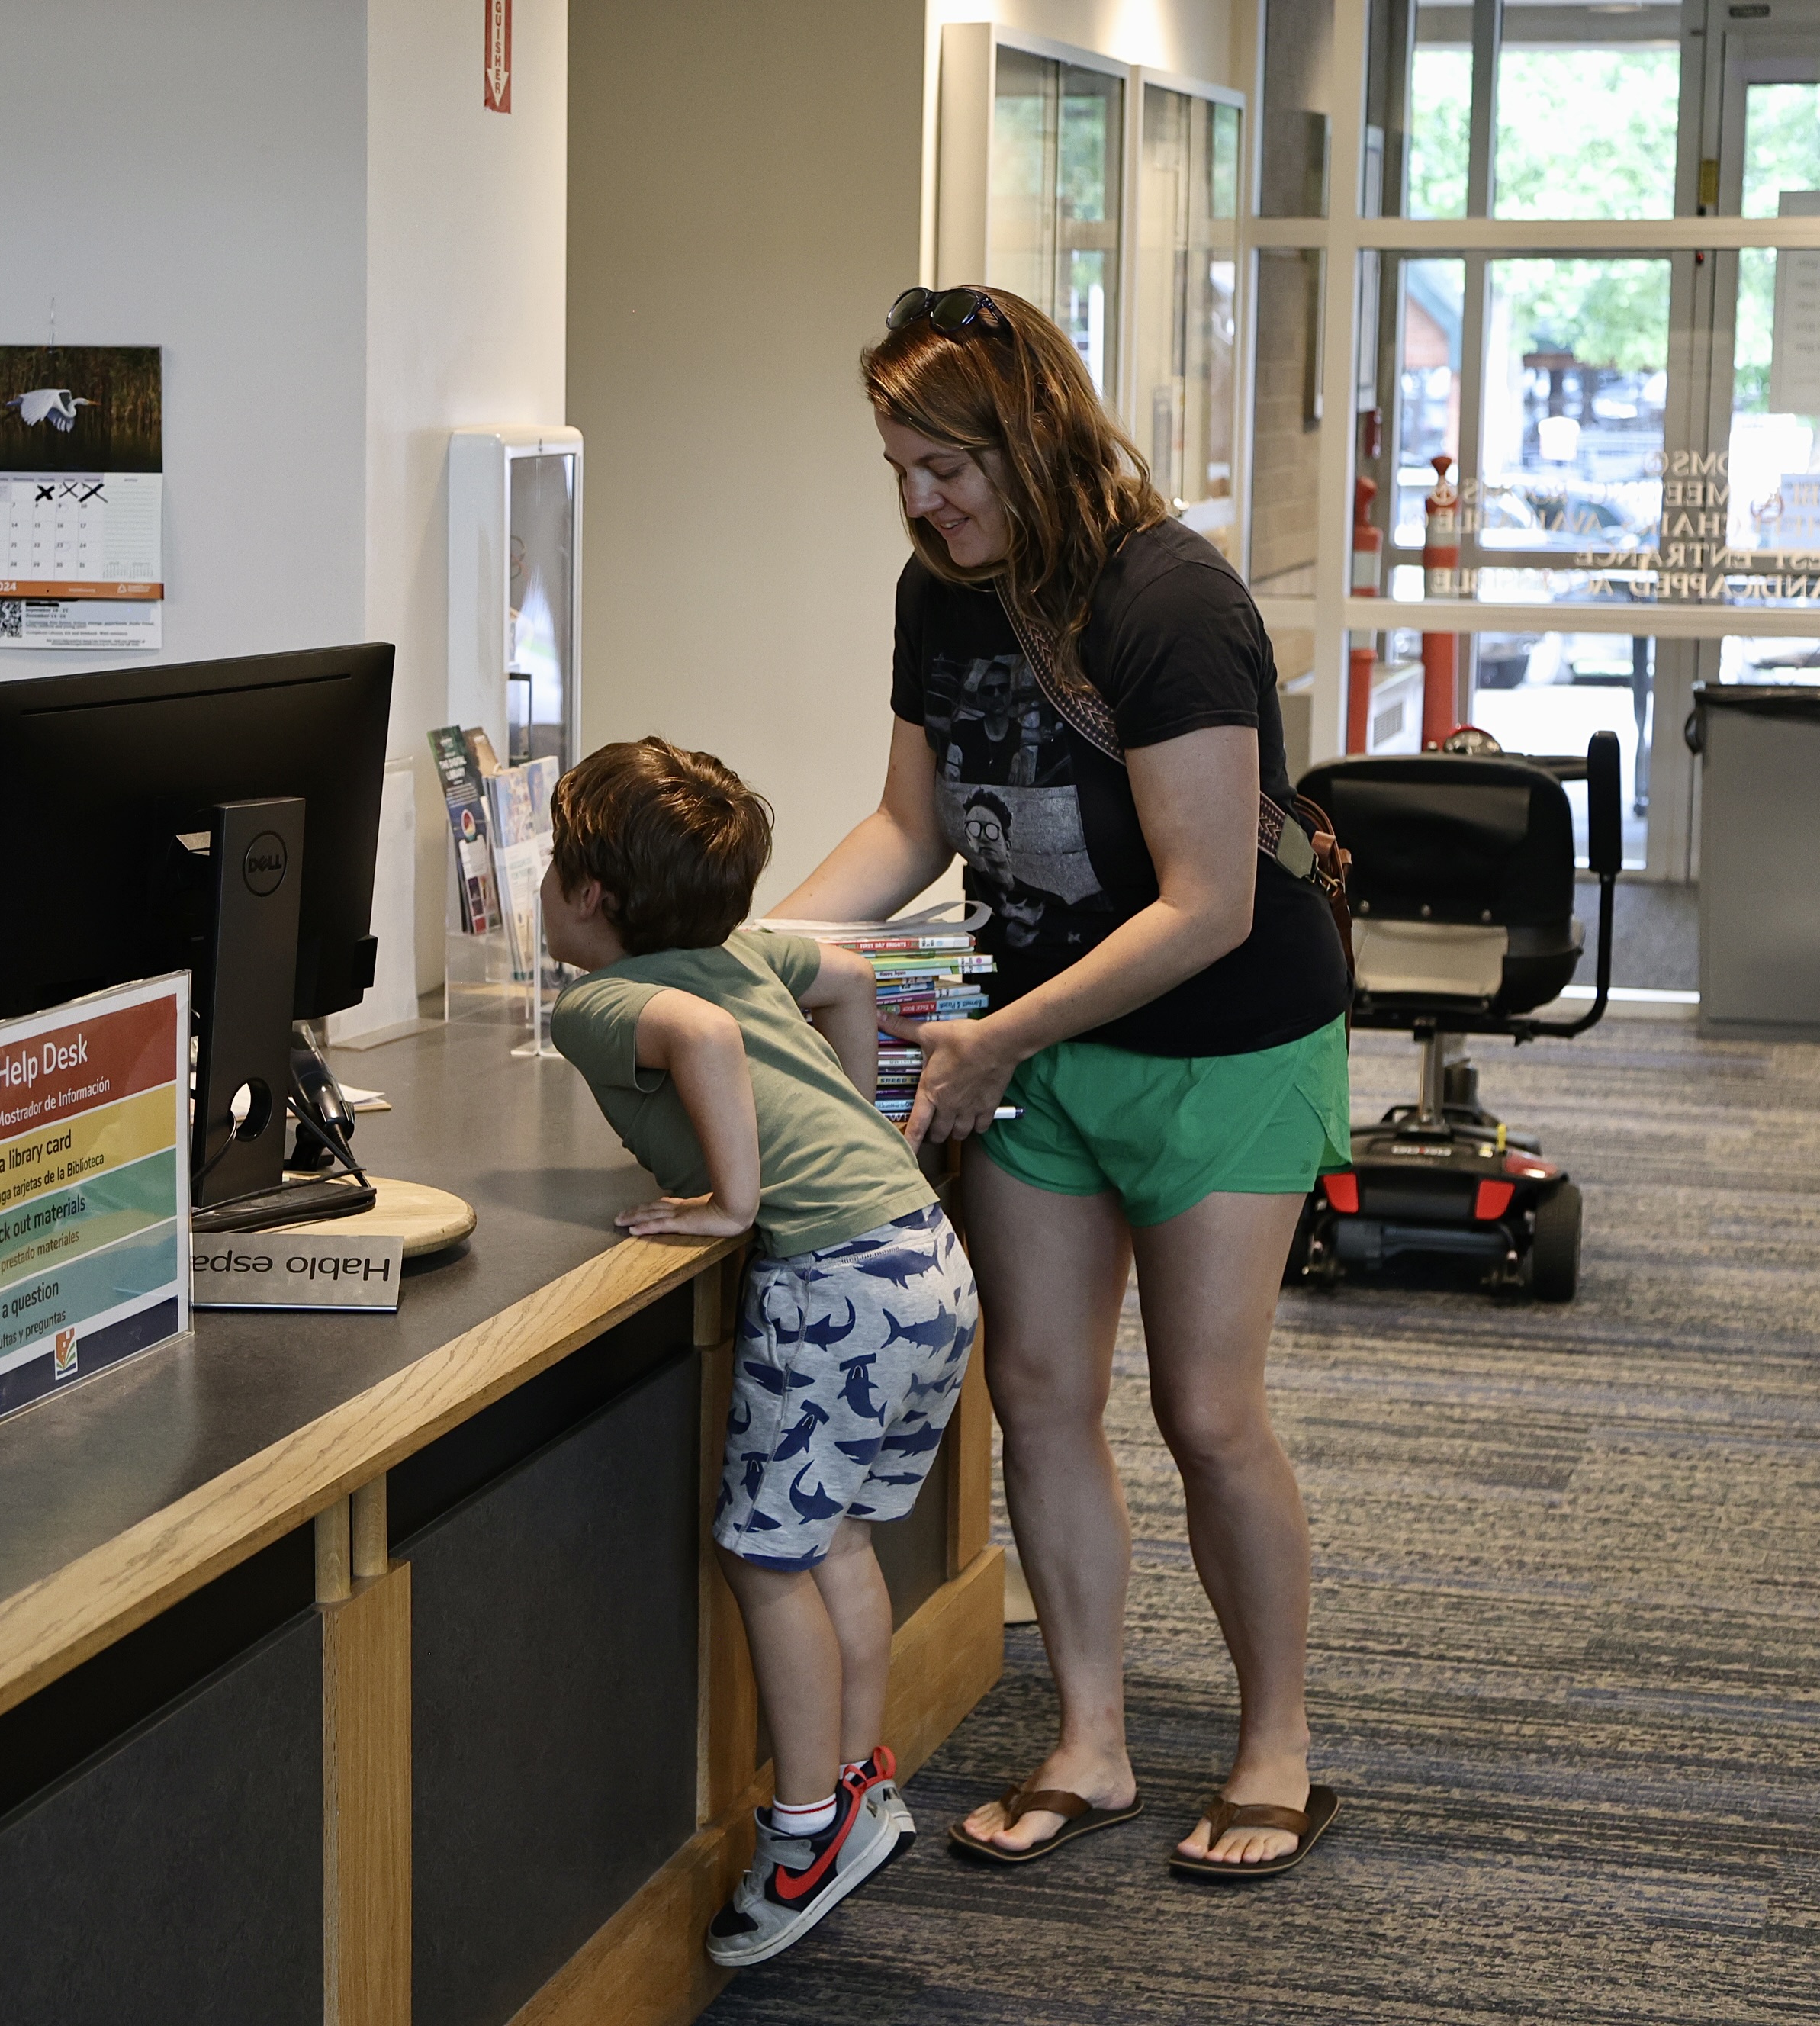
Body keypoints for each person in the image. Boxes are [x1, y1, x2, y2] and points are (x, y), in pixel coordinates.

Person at [770, 284, 1350, 1879]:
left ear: (1030, 432)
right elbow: (908, 826)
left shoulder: (1168, 601)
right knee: (1037, 1392)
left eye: (947, 462)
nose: (922, 498)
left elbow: (1209, 897)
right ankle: (1091, 1741)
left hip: (1224, 1040)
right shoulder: (937, 592)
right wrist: (757, 946)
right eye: (897, 466)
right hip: (1033, 1037)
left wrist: (1000, 1034)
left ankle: (1273, 1744)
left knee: (1208, 1407)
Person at [541, 737, 982, 1966]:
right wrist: (863, 1128)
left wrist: (736, 1199)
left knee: (763, 1551)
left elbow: (706, 1042)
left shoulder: (599, 1001)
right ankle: (855, 1785)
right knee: (831, 1535)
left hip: (835, 1280)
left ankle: (803, 1835)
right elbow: (844, 974)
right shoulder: (740, 948)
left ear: (587, 898)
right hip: (922, 1255)